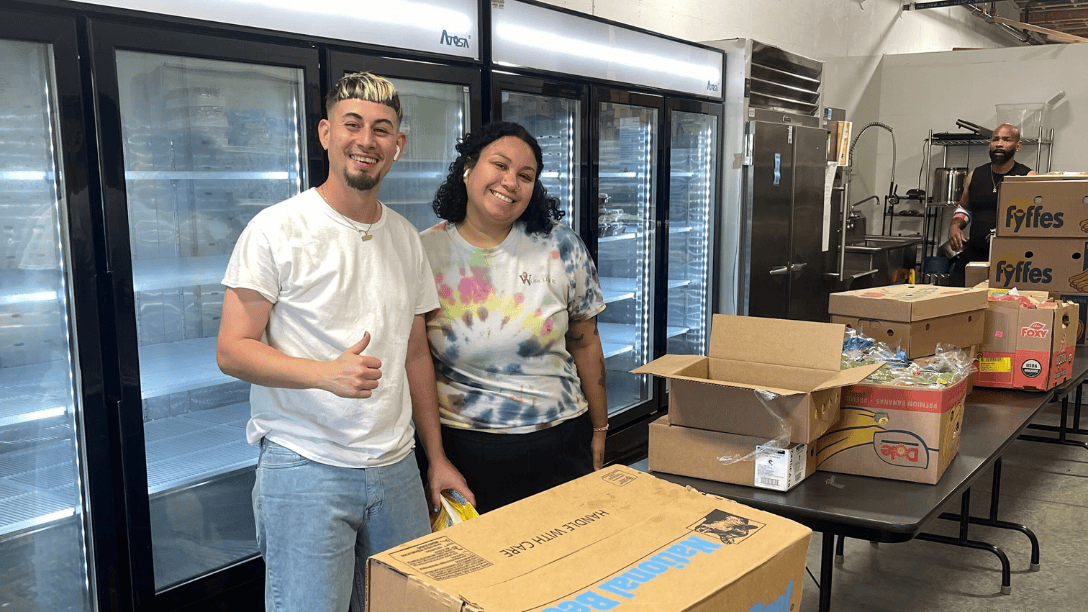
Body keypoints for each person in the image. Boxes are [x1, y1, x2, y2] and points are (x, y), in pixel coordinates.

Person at [216, 72, 472, 612]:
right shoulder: (275, 229)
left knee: (405, 606)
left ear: (398, 146)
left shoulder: (405, 237)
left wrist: (437, 457)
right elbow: (232, 348)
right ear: (325, 133)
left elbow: (414, 355)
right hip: (304, 464)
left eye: (382, 130)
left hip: (396, 464)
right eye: (352, 125)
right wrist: (323, 373)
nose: (367, 140)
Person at [418, 121, 608, 513]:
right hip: (464, 454)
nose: (511, 182)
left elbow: (586, 340)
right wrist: (435, 457)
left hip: (560, 440)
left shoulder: (561, 245)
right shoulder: (424, 252)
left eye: (525, 175)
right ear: (468, 168)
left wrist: (601, 428)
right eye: (499, 165)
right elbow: (414, 361)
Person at [947, 123, 1037, 285]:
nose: (999, 144)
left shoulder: (1028, 177)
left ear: (1018, 146)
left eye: (1006, 139)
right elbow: (965, 208)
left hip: (1012, 261)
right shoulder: (975, 175)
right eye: (995, 139)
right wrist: (955, 225)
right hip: (975, 257)